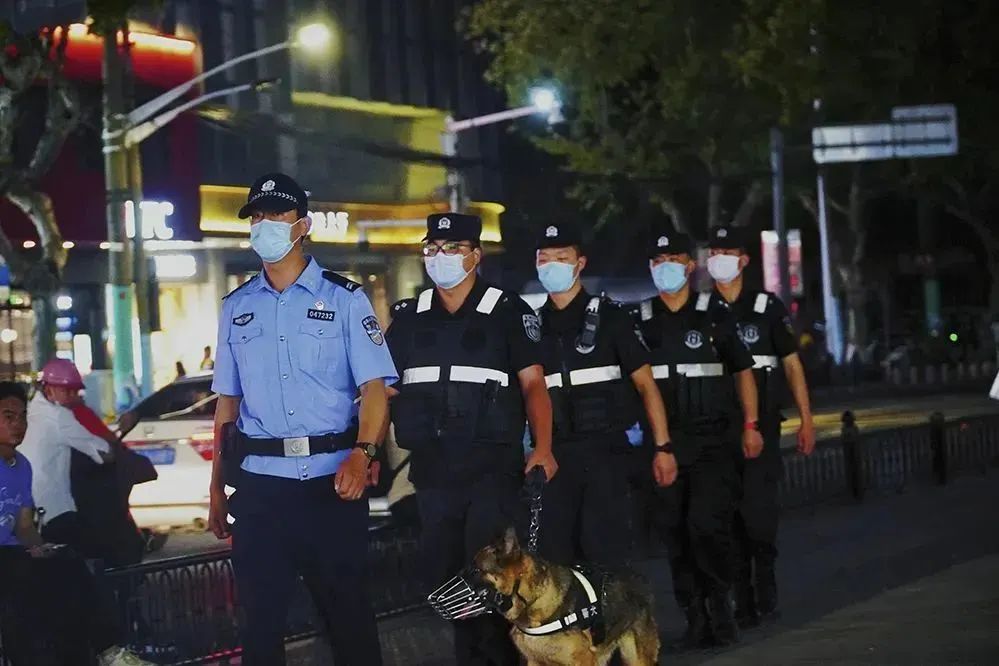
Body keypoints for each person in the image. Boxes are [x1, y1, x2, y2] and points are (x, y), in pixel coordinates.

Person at [205, 173, 397, 666]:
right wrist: (216, 489)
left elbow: (375, 390)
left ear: (303, 225)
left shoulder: (345, 299)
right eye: (257, 216)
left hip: (331, 486)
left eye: (276, 214)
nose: (264, 225)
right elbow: (227, 407)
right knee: (260, 627)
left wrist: (364, 453)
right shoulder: (236, 307)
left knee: (349, 621)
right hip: (261, 491)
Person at [385, 212, 556, 666]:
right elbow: (384, 391)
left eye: (453, 249)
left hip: (491, 472)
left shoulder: (507, 311)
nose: (440, 257)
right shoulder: (409, 317)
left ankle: (497, 660)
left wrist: (542, 448)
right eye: (432, 249)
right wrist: (364, 451)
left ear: (475, 256)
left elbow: (534, 386)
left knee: (490, 580)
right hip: (433, 474)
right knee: (448, 583)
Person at [632, 229, 763, 648]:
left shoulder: (714, 314)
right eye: (657, 261)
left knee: (707, 525)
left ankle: (721, 607)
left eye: (673, 260)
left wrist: (751, 425)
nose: (664, 268)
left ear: (690, 266)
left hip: (713, 442)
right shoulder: (638, 320)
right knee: (675, 533)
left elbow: (743, 372)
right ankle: (694, 615)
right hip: (663, 445)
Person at [532, 221, 675, 567]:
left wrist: (663, 447)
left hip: (606, 456)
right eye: (544, 259)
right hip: (554, 457)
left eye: (561, 258)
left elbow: (646, 385)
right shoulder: (531, 326)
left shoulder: (612, 319)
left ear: (580, 263)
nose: (552, 266)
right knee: (557, 559)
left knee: (606, 556)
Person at [705, 225, 816, 626]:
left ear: (744, 260)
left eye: (727, 252)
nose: (719, 259)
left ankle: (765, 582)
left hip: (763, 426)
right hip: (717, 428)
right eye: (713, 252)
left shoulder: (766, 307)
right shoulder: (702, 309)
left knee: (759, 514)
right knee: (726, 516)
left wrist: (806, 420)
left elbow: (792, 365)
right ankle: (742, 599)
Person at [0, 381, 152, 666]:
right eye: (9, 417)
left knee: (69, 564)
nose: (18, 424)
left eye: (22, 416)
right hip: (8, 561)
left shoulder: (21, 466)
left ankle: (109, 651)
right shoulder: (59, 419)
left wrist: (42, 548)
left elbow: (24, 527)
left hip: (15, 555)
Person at [18, 359, 116, 556]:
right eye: (67, 391)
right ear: (49, 389)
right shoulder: (59, 417)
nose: (73, 396)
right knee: (96, 554)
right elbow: (104, 453)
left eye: (75, 391)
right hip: (54, 510)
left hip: (25, 512)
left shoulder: (29, 411)